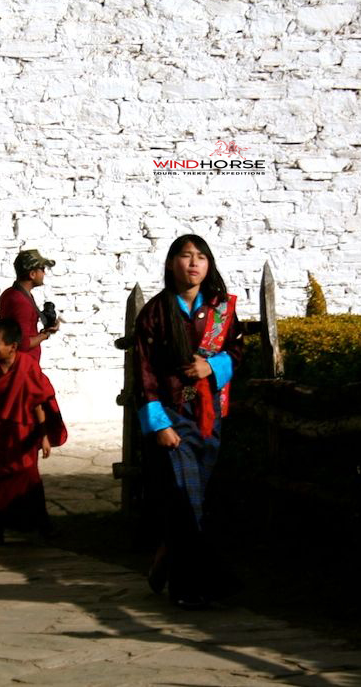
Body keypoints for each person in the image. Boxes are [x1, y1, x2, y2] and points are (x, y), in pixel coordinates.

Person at [133, 234, 244, 609]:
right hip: (173, 417)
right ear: (171, 264)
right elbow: (145, 373)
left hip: (210, 416)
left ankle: (179, 562)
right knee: (185, 498)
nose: (193, 263)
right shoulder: (155, 312)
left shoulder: (220, 310)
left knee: (202, 501)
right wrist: (159, 424)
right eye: (185, 256)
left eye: (201, 257)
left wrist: (210, 365)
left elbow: (237, 350)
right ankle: (187, 588)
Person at [0, 319, 67, 545]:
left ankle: (42, 525)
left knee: (29, 481)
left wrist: (43, 436)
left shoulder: (27, 366)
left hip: (23, 434)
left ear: (12, 346)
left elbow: (37, 402)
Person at [0, 249, 59, 364]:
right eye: (42, 269)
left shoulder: (11, 293)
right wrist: (45, 335)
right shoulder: (21, 302)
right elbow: (23, 344)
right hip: (23, 366)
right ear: (32, 274)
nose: (44, 273)